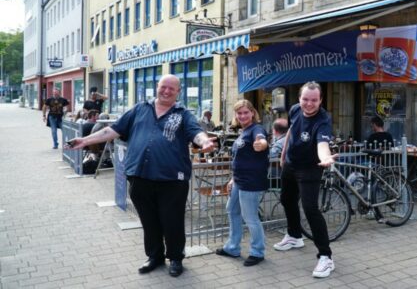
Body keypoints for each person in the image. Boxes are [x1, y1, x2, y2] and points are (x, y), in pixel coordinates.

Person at [66, 74, 215, 277]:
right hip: (140, 176)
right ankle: (155, 256)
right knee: (149, 221)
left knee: (172, 221)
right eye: (164, 87)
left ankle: (176, 258)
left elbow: (196, 132)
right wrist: (84, 140)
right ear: (157, 87)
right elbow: (112, 130)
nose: (167, 91)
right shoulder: (139, 109)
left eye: (172, 88)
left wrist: (204, 142)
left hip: (172, 179)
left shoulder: (183, 114)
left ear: (178, 92)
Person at [274, 81, 337, 278]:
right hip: (291, 164)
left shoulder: (323, 120)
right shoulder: (294, 110)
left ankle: (326, 257)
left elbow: (322, 144)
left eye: (314, 100)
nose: (309, 104)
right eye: (305, 99)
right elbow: (291, 132)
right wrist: (283, 156)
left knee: (310, 209)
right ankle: (294, 236)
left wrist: (325, 157)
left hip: (310, 168)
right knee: (286, 199)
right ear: (299, 99)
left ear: (320, 100)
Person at [215, 100, 269, 266]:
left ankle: (257, 252)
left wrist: (261, 144)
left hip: (251, 181)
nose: (243, 116)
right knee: (232, 210)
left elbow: (261, 141)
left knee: (250, 217)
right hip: (239, 180)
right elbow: (241, 159)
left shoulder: (256, 129)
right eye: (239, 113)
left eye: (246, 112)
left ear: (252, 113)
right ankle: (232, 247)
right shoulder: (243, 131)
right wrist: (233, 178)